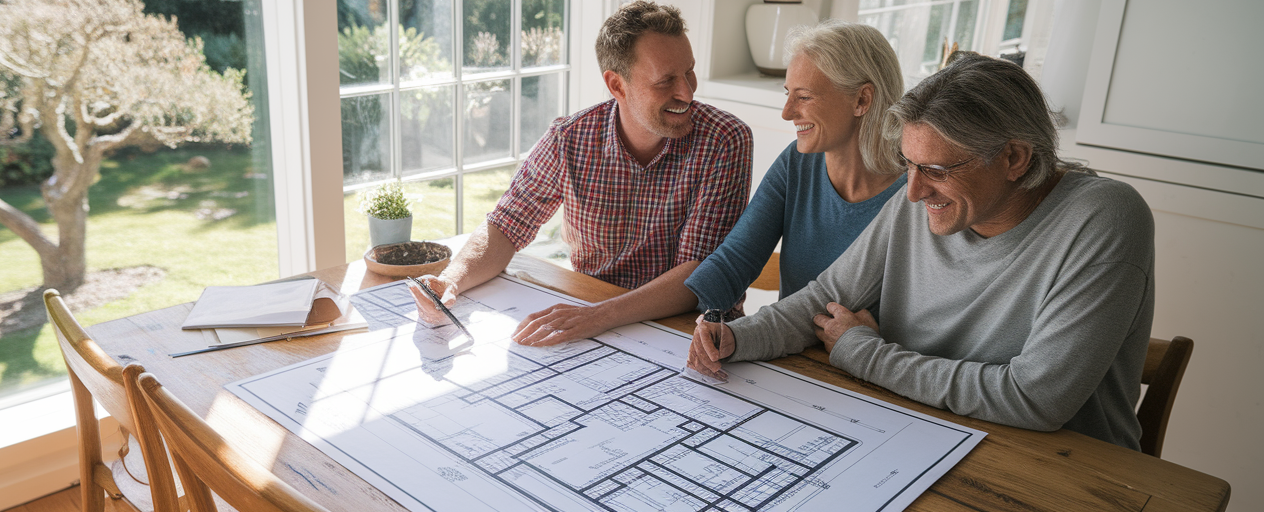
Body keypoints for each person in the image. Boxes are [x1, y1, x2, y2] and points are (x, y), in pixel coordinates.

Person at [687, 51, 1156, 450]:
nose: (912, 193)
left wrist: (863, 352)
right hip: (916, 430)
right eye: (907, 164)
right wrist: (738, 337)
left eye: (933, 168)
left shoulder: (1106, 218)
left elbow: (1034, 399)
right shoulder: (925, 199)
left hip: (1058, 468)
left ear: (1015, 158)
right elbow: (825, 298)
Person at [410, 1, 753, 345]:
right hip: (592, 321)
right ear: (617, 85)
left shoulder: (725, 140)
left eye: (689, 72)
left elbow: (699, 277)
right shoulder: (569, 138)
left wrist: (598, 316)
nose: (687, 92)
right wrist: (450, 281)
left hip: (692, 334)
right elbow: (506, 226)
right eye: (666, 81)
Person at [686, 20, 907, 315]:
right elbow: (732, 262)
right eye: (787, 93)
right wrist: (613, 313)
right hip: (780, 350)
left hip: (862, 359)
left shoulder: (919, 190)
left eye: (803, 97)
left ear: (862, 99)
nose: (787, 112)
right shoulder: (798, 161)